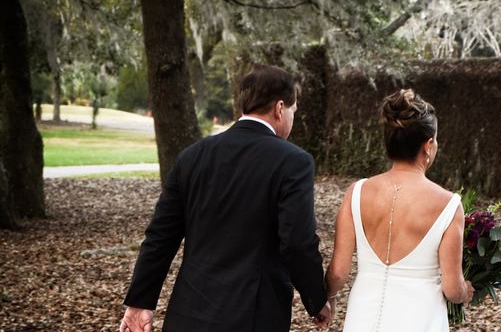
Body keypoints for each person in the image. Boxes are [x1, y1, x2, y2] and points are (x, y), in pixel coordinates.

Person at [119, 65, 331, 332]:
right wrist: (316, 299)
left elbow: (160, 237)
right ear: (280, 108)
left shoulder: (192, 156)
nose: (292, 118)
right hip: (253, 316)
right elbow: (298, 243)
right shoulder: (293, 161)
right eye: (293, 111)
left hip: (189, 312)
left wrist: (140, 302)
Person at [325, 89, 473, 331]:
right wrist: (466, 291)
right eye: (435, 140)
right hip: (420, 319)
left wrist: (328, 299)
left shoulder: (357, 192)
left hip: (363, 317)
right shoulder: (448, 205)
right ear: (428, 145)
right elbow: (452, 288)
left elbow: (338, 273)